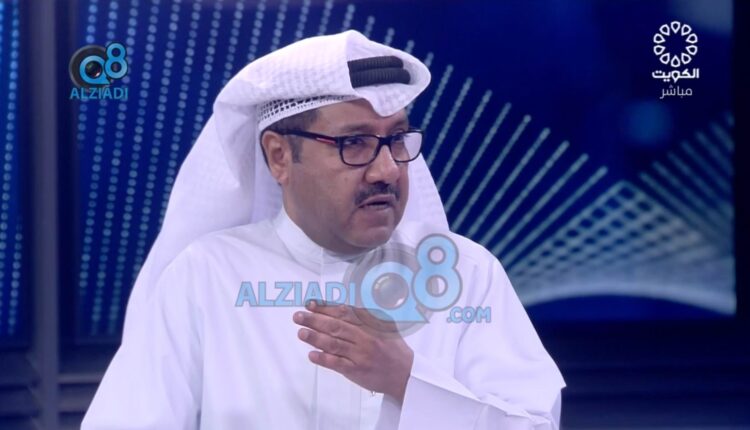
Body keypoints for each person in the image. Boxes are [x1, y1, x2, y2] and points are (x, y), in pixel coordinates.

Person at [82, 30, 565, 429]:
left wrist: (407, 381)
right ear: (279, 157)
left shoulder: (466, 275)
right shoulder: (205, 277)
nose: (387, 170)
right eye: (354, 143)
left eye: (396, 139)